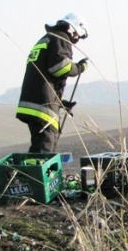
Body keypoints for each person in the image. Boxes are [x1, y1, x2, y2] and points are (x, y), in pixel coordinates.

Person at [16, 13, 89, 153]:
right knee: (44, 148)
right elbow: (60, 67)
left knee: (40, 145)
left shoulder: (46, 39)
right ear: (73, 29)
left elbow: (44, 75)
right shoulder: (60, 38)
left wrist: (59, 102)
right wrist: (79, 68)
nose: (76, 40)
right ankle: (34, 175)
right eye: (77, 36)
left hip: (33, 101)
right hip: (43, 106)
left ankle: (30, 172)